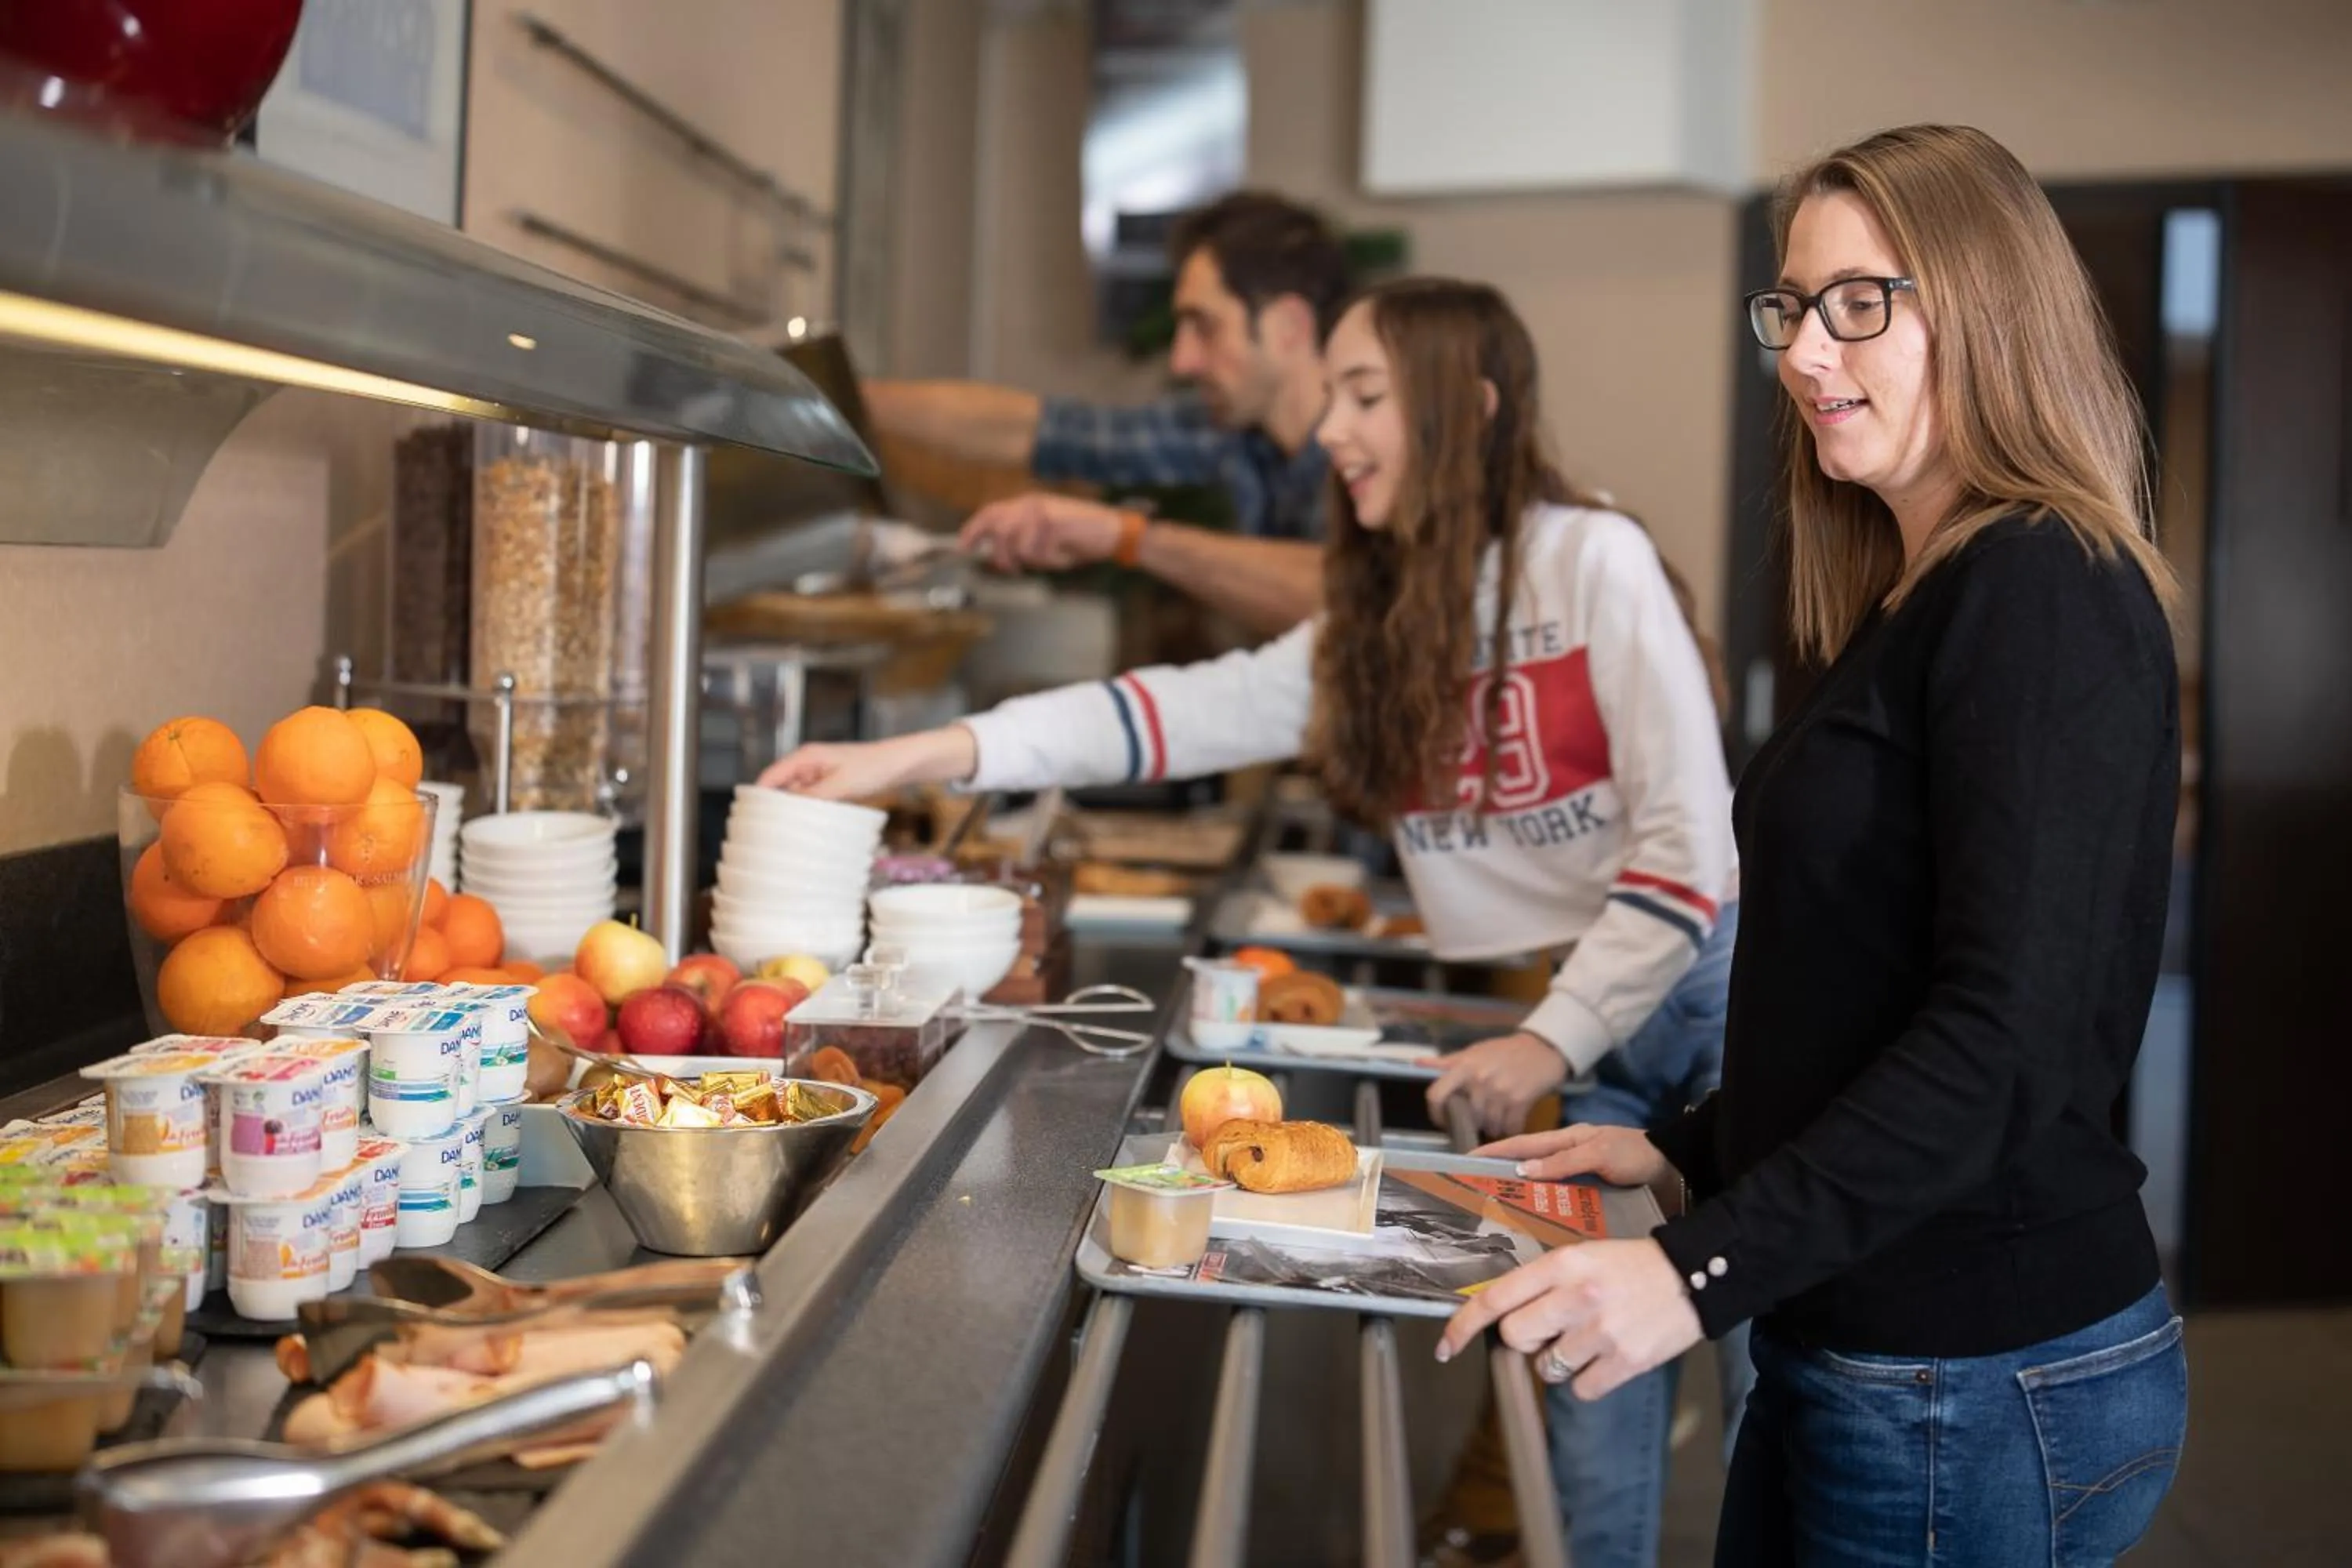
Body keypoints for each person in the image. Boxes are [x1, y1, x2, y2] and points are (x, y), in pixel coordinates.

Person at [766, 276, 1748, 1568]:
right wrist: (912, 756)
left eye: (1365, 397)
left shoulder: (1590, 557)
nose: (1330, 433)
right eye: (1332, 394)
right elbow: (1170, 712)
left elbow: (1697, 850)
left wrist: (1552, 1041)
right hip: (1593, 1002)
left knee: (1757, 1387)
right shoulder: (1391, 616)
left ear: (1473, 410)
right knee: (1589, 1394)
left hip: (1729, 994)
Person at [1437, 124, 2189, 1568]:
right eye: (1792, 307)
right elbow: (1870, 987)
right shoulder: (1917, 595)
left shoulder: (2042, 587)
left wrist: (1694, 1270)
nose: (1802, 352)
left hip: (1973, 1372)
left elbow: (2007, 1042)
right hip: (1870, 1341)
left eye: (1862, 303)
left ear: (1986, 303)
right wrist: (1685, 1150)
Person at [864, 190, 1347, 636]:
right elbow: (1042, 430)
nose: (1182, 360)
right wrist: (846, 397)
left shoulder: (1379, 445)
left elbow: (1340, 597)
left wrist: (1129, 537)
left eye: (1205, 327)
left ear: (1289, 326)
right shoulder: (1237, 434)